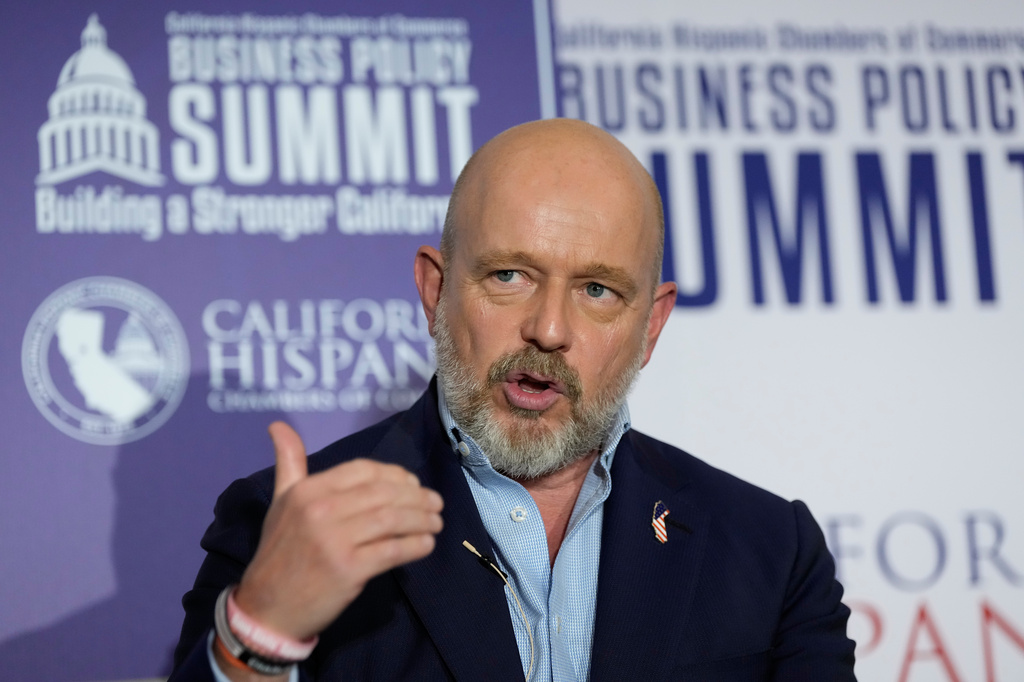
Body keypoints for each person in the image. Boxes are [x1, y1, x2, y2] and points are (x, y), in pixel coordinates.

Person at [170, 119, 856, 681]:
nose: (549, 330)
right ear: (436, 291)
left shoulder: (769, 548)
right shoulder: (285, 523)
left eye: (597, 290)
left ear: (650, 324)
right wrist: (258, 636)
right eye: (509, 275)